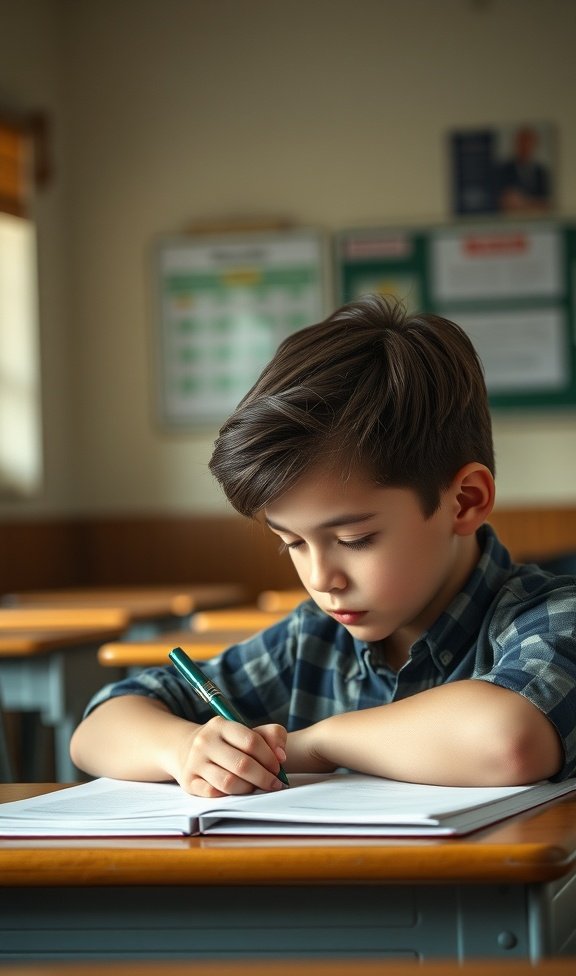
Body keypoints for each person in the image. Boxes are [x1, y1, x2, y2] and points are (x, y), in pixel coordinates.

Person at [70, 295, 576, 796]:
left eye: (354, 540)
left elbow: (510, 739)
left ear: (464, 502)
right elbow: (98, 728)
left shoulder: (553, 618)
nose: (320, 579)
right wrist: (183, 749)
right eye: (290, 542)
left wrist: (319, 742)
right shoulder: (310, 642)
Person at [497, 126, 551, 212]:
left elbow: (546, 203)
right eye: (522, 143)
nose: (525, 147)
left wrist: (524, 203)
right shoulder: (504, 170)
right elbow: (505, 202)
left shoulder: (541, 172)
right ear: (516, 144)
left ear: (535, 145)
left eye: (528, 143)